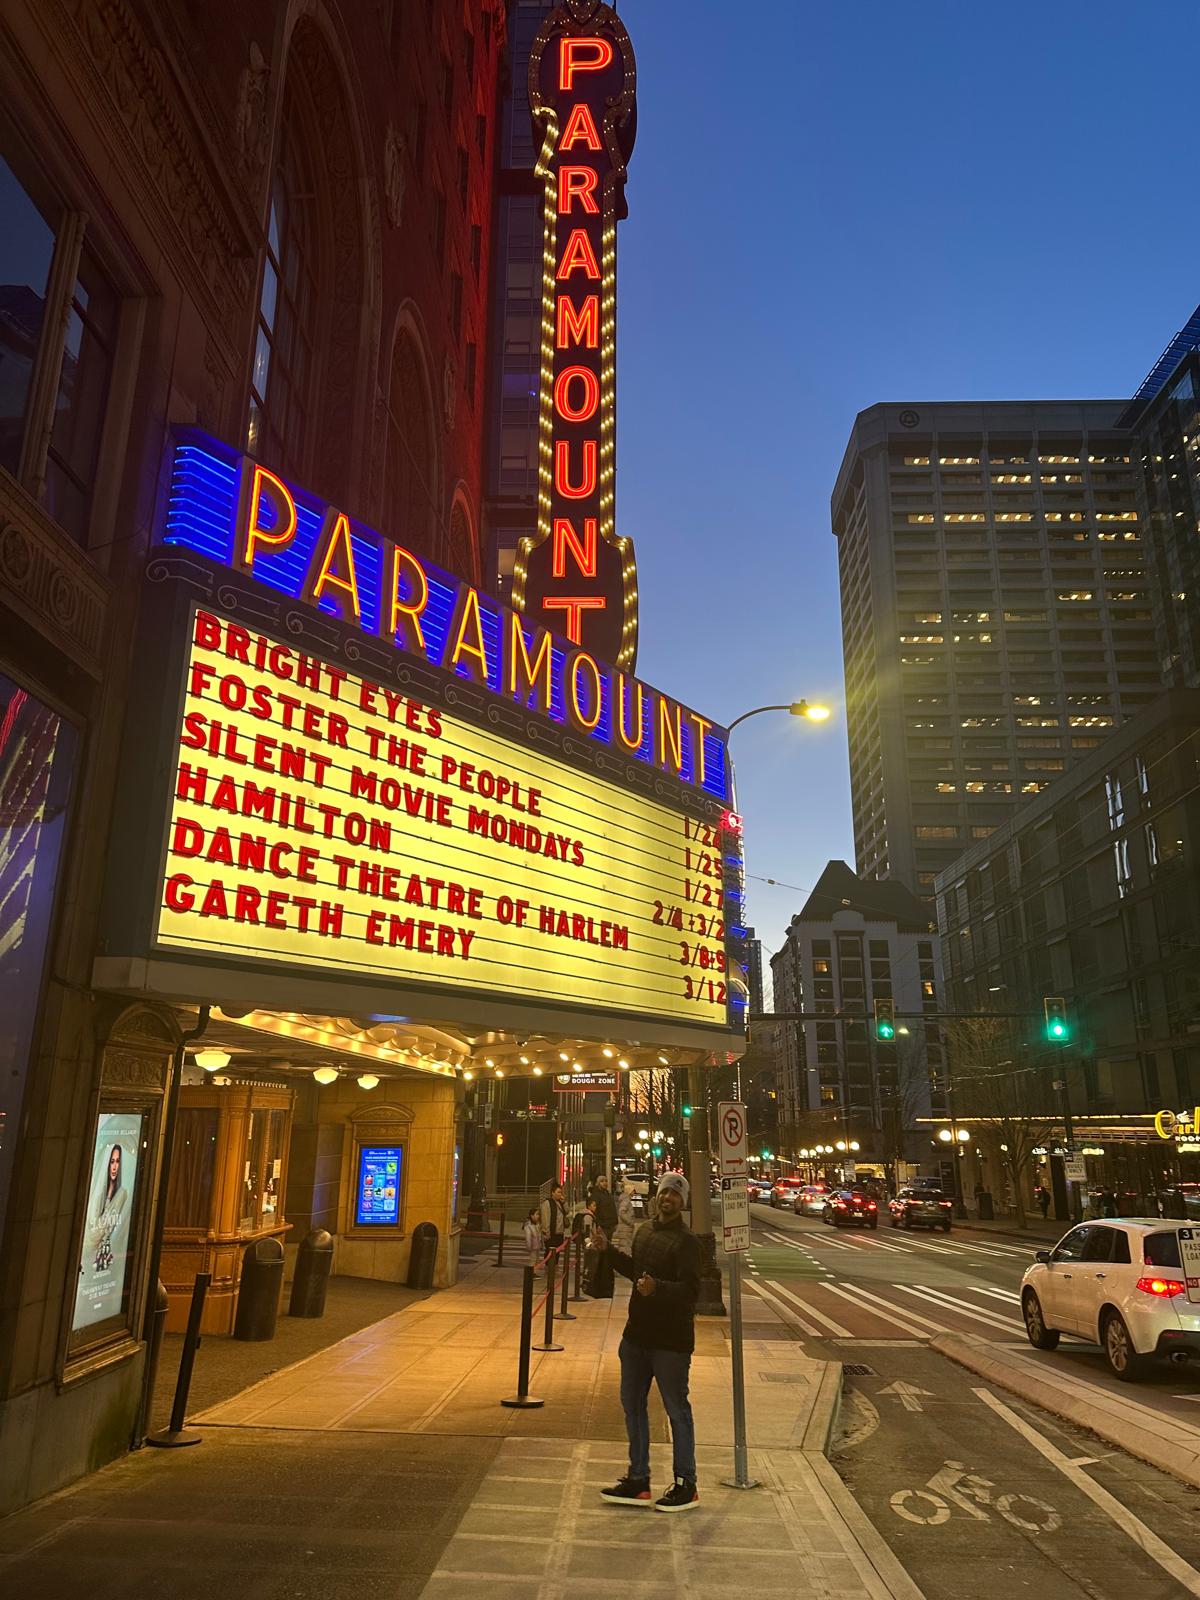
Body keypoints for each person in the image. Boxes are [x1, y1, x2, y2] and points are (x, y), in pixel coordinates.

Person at [592, 1171, 700, 1512]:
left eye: (676, 1196)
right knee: (632, 1407)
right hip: (636, 1337)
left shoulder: (687, 1242)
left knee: (677, 1412)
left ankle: (687, 1484)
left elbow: (692, 1291)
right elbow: (636, 1271)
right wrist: (607, 1251)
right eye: (666, 1192)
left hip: (670, 1342)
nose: (669, 1199)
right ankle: (639, 1479)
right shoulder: (645, 1231)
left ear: (682, 1203)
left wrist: (658, 1289)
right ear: (658, 1196)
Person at [539, 1183, 567, 1255]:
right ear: (552, 1193)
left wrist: (564, 1203)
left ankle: (555, 1265)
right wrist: (546, 1232)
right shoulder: (547, 1203)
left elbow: (566, 1211)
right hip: (551, 1232)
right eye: (558, 1192)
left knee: (557, 1251)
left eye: (561, 1192)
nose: (560, 1194)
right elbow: (545, 1219)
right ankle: (548, 1265)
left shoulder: (560, 1202)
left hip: (559, 1231)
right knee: (550, 1252)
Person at [612, 1181, 636, 1254]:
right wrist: (630, 1222)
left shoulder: (626, 1199)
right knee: (625, 1247)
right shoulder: (626, 1200)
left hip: (625, 1228)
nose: (634, 1192)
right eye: (633, 1190)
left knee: (624, 1246)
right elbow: (621, 1212)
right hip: (625, 1228)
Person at [523, 1206, 544, 1272]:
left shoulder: (537, 1224)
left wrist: (541, 1244)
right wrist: (529, 1247)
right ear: (532, 1216)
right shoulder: (528, 1225)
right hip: (532, 1246)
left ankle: (534, 1272)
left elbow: (540, 1236)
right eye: (536, 1214)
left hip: (537, 1246)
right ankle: (531, 1273)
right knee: (532, 1260)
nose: (538, 1216)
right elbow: (528, 1238)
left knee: (537, 1260)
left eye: (538, 1214)